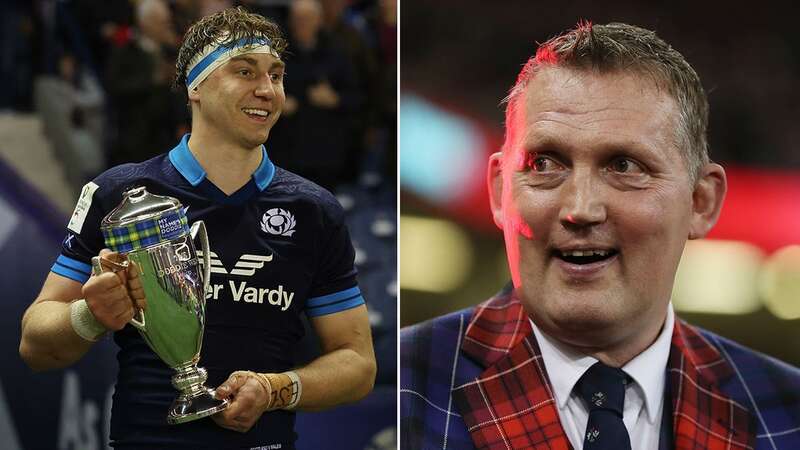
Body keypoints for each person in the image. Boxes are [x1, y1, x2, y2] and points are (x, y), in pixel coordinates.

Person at [400, 22, 800, 450]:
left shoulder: (788, 412)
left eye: (624, 166)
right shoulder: (397, 384)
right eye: (545, 164)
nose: (580, 209)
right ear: (500, 191)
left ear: (701, 202)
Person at [20, 7, 376, 449]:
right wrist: (90, 317)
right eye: (244, 71)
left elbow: (358, 363)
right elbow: (35, 345)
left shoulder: (314, 210)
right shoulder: (119, 196)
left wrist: (276, 389)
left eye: (276, 75)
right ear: (196, 85)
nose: (267, 90)